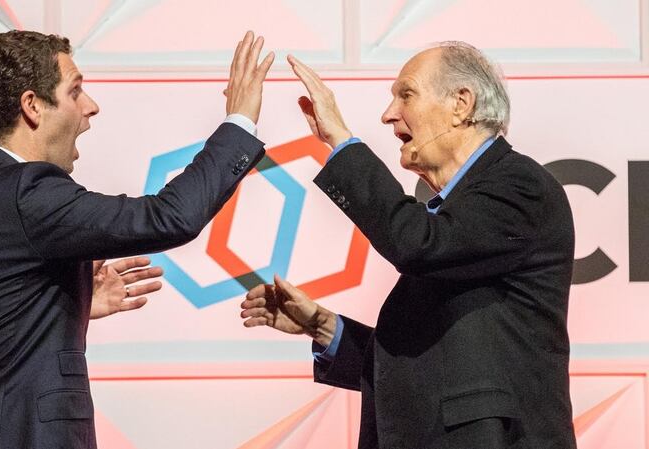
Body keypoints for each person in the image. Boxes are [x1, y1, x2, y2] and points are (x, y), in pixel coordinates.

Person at [0, 29, 274, 449]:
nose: (90, 106)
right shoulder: (26, 192)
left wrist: (64, 303)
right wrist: (239, 122)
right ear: (32, 106)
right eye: (75, 91)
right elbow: (168, 217)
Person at [240, 42, 576, 449]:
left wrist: (341, 141)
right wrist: (323, 326)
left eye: (406, 95)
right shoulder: (460, 213)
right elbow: (429, 364)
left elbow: (414, 243)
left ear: (461, 104)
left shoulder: (520, 186)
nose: (388, 114)